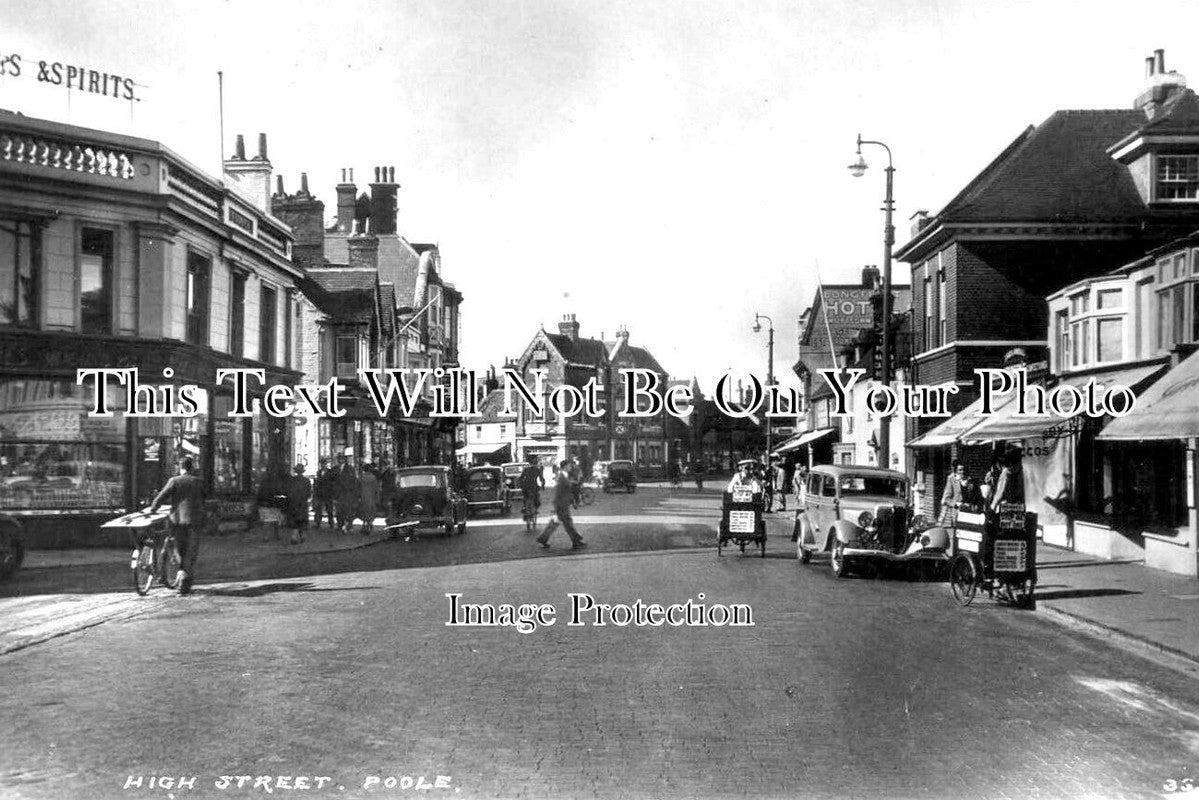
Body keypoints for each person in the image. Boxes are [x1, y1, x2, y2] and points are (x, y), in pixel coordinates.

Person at [149, 456, 205, 594]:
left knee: (179, 549)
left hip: (177, 522)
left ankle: (173, 575)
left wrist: (153, 509)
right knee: (190, 552)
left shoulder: (174, 481)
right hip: (194, 522)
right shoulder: (198, 482)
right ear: (191, 468)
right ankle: (184, 585)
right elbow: (206, 499)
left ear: (180, 468)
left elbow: (161, 497)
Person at [537, 460, 586, 549]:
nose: (570, 468)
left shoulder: (563, 476)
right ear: (565, 467)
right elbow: (559, 492)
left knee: (559, 523)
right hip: (561, 504)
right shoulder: (561, 477)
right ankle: (576, 540)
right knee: (567, 523)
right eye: (569, 466)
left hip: (563, 503)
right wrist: (557, 505)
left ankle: (544, 538)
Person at [256, 465, 292, 542]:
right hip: (274, 504)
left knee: (267, 521)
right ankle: (276, 535)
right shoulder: (276, 482)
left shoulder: (263, 481)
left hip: (264, 504)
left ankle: (266, 537)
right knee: (275, 521)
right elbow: (279, 492)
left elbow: (259, 493)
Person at [939, 460, 970, 526]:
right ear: (956, 471)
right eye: (960, 470)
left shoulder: (968, 479)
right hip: (957, 512)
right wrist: (956, 503)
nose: (962, 472)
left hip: (968, 511)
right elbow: (946, 499)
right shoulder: (951, 479)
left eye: (963, 469)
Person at [287, 464, 312, 544]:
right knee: (302, 519)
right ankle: (302, 536)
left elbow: (289, 492)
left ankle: (294, 536)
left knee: (294, 519)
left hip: (294, 503)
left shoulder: (292, 480)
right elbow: (309, 493)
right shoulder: (306, 481)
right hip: (303, 503)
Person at [334, 454, 359, 534]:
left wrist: (354, 494)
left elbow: (354, 481)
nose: (340, 461)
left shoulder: (350, 469)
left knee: (348, 511)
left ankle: (349, 526)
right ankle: (340, 526)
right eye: (339, 459)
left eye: (342, 459)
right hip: (338, 494)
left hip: (348, 493)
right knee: (339, 511)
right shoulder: (335, 469)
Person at [519, 454, 545, 529]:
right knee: (537, 501)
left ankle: (524, 508)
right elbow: (541, 479)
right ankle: (535, 510)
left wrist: (521, 485)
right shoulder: (537, 470)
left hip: (526, 488)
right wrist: (543, 485)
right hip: (533, 487)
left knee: (525, 499)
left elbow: (521, 478)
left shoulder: (526, 469)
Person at [312, 459, 336, 529]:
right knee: (319, 509)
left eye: (324, 464)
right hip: (320, 494)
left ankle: (331, 524)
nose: (323, 465)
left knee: (329, 510)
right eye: (321, 464)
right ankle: (318, 523)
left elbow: (332, 483)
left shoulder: (330, 472)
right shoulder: (319, 472)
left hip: (328, 494)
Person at [359, 462, 380, 535]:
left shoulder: (361, 478)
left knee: (364, 511)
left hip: (363, 497)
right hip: (371, 497)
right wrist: (377, 498)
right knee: (371, 511)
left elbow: (359, 488)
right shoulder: (374, 478)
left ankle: (364, 525)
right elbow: (376, 489)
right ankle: (369, 524)